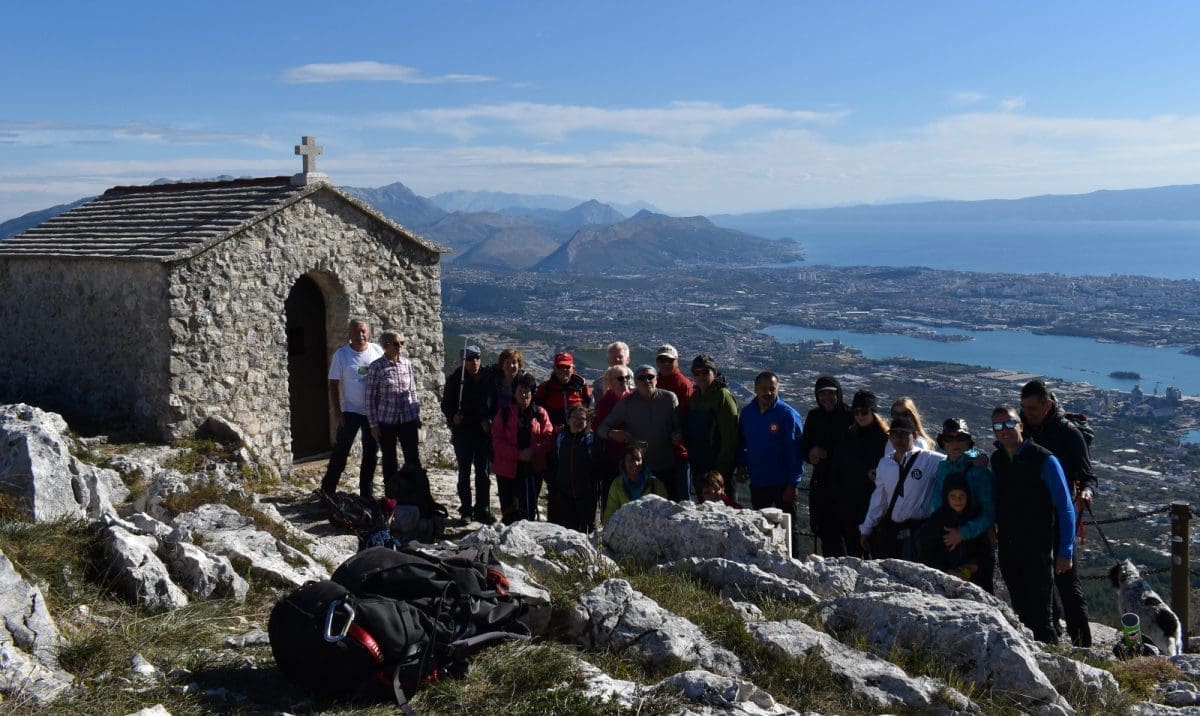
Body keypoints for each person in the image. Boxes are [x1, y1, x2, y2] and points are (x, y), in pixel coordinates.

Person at [990, 404, 1077, 644]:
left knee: (1041, 615)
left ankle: (1052, 662)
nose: (1004, 430)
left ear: (1020, 425)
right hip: (1008, 546)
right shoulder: (997, 459)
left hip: (1038, 547)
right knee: (1020, 608)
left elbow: (1066, 506)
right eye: (998, 426)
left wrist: (1065, 551)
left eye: (1009, 423)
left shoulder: (1044, 459)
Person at [1020, 378, 1095, 647]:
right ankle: (1051, 633)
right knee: (1040, 575)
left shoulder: (1068, 433)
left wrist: (1087, 492)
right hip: (1032, 513)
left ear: (1048, 405)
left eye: (1032, 409)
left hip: (1062, 511)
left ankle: (1082, 642)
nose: (1027, 414)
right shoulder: (1022, 428)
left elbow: (1088, 475)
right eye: (1024, 408)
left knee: (1065, 575)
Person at [920, 418, 997, 591]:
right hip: (946, 545)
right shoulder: (943, 467)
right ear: (943, 442)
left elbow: (989, 513)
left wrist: (962, 533)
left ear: (968, 442)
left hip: (975, 548)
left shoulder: (979, 471)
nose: (955, 443)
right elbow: (937, 505)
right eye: (949, 439)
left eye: (960, 438)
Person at [859, 416, 945, 560]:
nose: (899, 438)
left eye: (904, 434)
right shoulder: (885, 463)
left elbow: (956, 460)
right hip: (892, 532)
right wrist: (866, 528)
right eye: (895, 434)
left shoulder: (929, 459)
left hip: (917, 532)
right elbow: (879, 499)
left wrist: (978, 457)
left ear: (915, 436)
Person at [597, 365, 684, 501]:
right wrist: (613, 434)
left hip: (666, 466)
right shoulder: (627, 404)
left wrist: (678, 434)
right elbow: (602, 429)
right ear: (635, 382)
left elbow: (679, 426)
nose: (646, 380)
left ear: (657, 380)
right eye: (641, 378)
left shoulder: (669, 399)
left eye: (650, 377)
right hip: (638, 470)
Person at [319, 319, 384, 500]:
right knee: (341, 450)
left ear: (369, 333)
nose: (360, 335)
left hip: (373, 412)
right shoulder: (342, 355)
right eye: (355, 332)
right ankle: (327, 490)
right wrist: (338, 413)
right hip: (350, 410)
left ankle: (367, 494)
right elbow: (333, 383)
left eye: (363, 331)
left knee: (371, 453)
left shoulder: (377, 351)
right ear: (349, 334)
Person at [828, 389, 889, 557]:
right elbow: (837, 468)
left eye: (864, 411)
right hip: (849, 506)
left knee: (876, 553)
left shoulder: (886, 439)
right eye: (856, 412)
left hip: (875, 507)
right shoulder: (848, 436)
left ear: (873, 412)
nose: (860, 416)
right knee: (853, 552)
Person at [735, 371, 804, 515]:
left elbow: (796, 451)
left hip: (782, 484)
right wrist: (741, 465)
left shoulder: (788, 415)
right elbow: (742, 442)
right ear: (755, 388)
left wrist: (793, 484)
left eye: (772, 388)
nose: (768, 392)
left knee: (788, 530)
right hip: (758, 482)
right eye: (763, 388)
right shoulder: (748, 413)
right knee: (761, 526)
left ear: (777, 388)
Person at [440, 344, 493, 524]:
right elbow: (446, 404)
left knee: (483, 472)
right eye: (470, 359)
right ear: (464, 361)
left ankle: (483, 508)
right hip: (463, 432)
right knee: (464, 472)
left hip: (482, 432)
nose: (475, 362)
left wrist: (489, 421)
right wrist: (453, 416)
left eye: (477, 358)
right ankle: (466, 509)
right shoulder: (456, 379)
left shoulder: (488, 377)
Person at [801, 376, 854, 556]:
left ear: (838, 393)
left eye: (831, 393)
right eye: (822, 394)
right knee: (827, 536)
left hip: (846, 487)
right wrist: (810, 454)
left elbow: (853, 450)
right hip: (822, 485)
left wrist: (827, 453)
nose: (826, 398)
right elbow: (804, 445)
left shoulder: (850, 416)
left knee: (848, 538)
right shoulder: (814, 416)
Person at [491, 373, 553, 524]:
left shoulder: (540, 413)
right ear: (514, 392)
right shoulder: (504, 413)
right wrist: (519, 454)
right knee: (509, 509)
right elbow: (497, 442)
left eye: (528, 391)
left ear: (532, 393)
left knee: (529, 508)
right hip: (507, 469)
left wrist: (533, 451)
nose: (524, 395)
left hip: (532, 469)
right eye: (521, 391)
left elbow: (549, 437)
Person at [366, 330, 422, 491]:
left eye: (402, 343)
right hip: (386, 421)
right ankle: (392, 494)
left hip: (407, 419)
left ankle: (416, 492)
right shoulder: (376, 367)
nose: (401, 347)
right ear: (386, 346)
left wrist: (416, 414)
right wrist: (373, 425)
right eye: (397, 344)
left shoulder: (406, 363)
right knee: (390, 460)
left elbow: (412, 390)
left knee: (412, 458)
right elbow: (370, 398)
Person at [916, 473, 993, 587]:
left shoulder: (975, 519)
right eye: (953, 496)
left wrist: (974, 565)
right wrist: (948, 571)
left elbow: (986, 553)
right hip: (943, 582)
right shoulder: (937, 520)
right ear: (946, 497)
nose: (958, 500)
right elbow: (924, 555)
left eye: (962, 495)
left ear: (968, 496)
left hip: (975, 581)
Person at [684, 354, 739, 483]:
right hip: (698, 463)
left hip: (717, 467)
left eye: (705, 372)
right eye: (697, 373)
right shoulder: (695, 397)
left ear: (714, 373)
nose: (701, 376)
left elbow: (730, 437)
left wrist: (721, 470)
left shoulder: (723, 396)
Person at [548, 405, 600, 533]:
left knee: (587, 533)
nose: (577, 421)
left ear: (587, 422)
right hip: (564, 496)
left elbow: (598, 468)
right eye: (574, 417)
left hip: (586, 498)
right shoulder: (561, 439)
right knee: (566, 532)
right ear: (568, 420)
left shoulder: (592, 440)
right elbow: (554, 463)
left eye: (582, 419)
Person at [593, 364, 635, 514]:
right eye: (620, 379)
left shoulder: (635, 399)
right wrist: (612, 433)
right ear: (611, 382)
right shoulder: (604, 404)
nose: (625, 381)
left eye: (627, 378)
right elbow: (597, 429)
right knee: (611, 499)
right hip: (611, 459)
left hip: (634, 459)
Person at [655, 344, 694, 499]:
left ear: (676, 362)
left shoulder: (683, 384)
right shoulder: (656, 381)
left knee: (682, 496)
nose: (665, 363)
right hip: (660, 449)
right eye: (662, 360)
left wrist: (680, 433)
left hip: (679, 450)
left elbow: (689, 416)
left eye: (669, 360)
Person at [602, 441, 668, 523]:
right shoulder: (617, 485)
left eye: (638, 459)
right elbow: (610, 513)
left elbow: (666, 512)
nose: (636, 464)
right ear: (624, 463)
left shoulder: (655, 484)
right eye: (631, 460)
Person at [535, 351, 592, 431]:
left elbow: (588, 411)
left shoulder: (582, 387)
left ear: (573, 368)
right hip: (552, 436)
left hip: (577, 435)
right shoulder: (545, 389)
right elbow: (538, 414)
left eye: (567, 367)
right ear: (554, 368)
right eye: (559, 367)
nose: (563, 370)